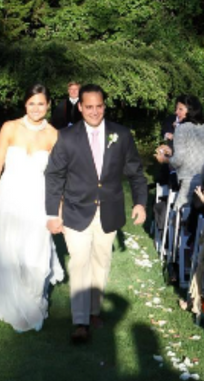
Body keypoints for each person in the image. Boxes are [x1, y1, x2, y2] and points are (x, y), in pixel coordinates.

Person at [45, 83, 148, 343]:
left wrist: (140, 202)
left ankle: (93, 311)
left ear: (104, 106)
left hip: (109, 210)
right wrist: (51, 213)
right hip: (76, 210)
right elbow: (54, 175)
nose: (94, 112)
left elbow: (135, 172)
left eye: (98, 106)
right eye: (88, 107)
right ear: (79, 107)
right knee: (79, 262)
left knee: (101, 261)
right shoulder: (67, 137)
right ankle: (80, 321)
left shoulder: (121, 134)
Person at [0, 84, 63, 332]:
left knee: (36, 254)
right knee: (7, 249)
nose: (36, 108)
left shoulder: (54, 134)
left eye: (41, 103)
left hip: (38, 199)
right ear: (24, 104)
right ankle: (7, 298)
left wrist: (58, 210)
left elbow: (57, 177)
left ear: (48, 104)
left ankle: (32, 298)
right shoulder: (10, 127)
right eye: (31, 103)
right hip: (8, 196)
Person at [155, 94, 204, 209]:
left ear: (190, 110)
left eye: (180, 109)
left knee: (179, 214)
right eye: (176, 109)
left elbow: (178, 161)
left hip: (187, 180)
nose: (176, 112)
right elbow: (192, 152)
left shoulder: (182, 128)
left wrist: (164, 159)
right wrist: (171, 152)